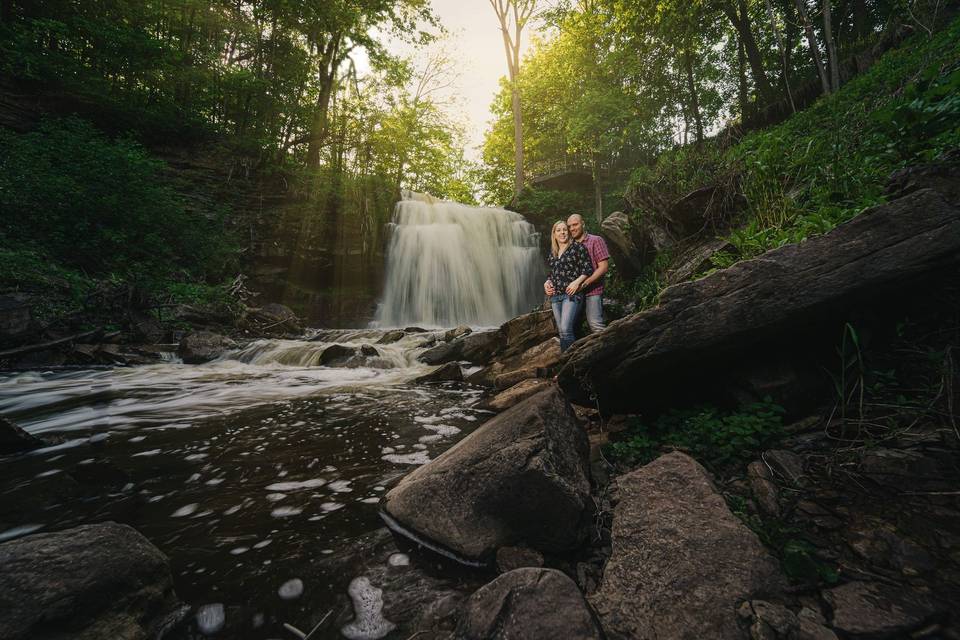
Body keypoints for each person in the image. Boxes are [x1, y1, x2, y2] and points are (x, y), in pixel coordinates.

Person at [544, 214, 610, 332]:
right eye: (569, 226)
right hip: (571, 293)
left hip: (591, 290)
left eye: (575, 225)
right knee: (571, 328)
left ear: (583, 224)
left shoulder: (595, 240)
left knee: (595, 323)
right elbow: (556, 270)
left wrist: (583, 284)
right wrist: (548, 282)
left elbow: (603, 267)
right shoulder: (567, 245)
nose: (572, 228)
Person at [545, 220, 592, 352]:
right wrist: (547, 283)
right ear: (554, 234)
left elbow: (588, 269)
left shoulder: (577, 247)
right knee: (561, 332)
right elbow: (551, 274)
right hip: (555, 297)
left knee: (566, 330)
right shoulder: (553, 253)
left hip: (571, 295)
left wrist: (576, 282)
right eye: (558, 230)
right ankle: (565, 365)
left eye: (564, 229)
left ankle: (573, 364)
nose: (562, 232)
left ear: (569, 232)